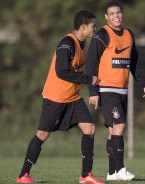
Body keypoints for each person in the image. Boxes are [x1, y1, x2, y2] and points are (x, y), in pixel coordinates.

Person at [16, 10, 105, 184]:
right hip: (55, 98)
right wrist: (88, 79)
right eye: (93, 26)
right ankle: (23, 175)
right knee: (42, 134)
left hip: (73, 97)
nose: (95, 28)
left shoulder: (83, 43)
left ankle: (86, 175)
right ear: (83, 26)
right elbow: (62, 72)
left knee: (89, 128)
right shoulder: (67, 43)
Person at [86, 1, 145, 181]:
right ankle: (121, 169)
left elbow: (134, 62)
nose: (116, 16)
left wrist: (143, 82)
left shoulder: (129, 34)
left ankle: (112, 172)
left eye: (119, 13)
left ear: (122, 14)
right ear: (106, 17)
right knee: (120, 126)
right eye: (112, 13)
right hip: (106, 89)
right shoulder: (101, 34)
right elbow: (91, 64)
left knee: (113, 130)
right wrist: (93, 91)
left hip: (122, 90)